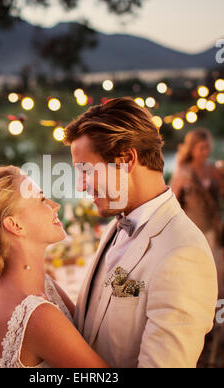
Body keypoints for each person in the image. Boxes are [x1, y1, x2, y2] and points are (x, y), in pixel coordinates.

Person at [64, 98, 217, 368]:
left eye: (87, 171)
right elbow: (93, 325)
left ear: (126, 160)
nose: (81, 186)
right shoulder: (117, 224)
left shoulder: (183, 254)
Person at [0, 166, 109, 368]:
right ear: (15, 225)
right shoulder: (38, 314)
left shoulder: (43, 285)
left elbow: (85, 337)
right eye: (41, 199)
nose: (54, 205)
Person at [170, 128, 224, 298]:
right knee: (196, 272)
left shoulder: (213, 169)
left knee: (215, 272)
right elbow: (172, 202)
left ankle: (215, 311)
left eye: (208, 147)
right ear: (192, 148)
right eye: (201, 148)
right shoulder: (183, 172)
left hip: (212, 229)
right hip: (192, 231)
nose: (206, 152)